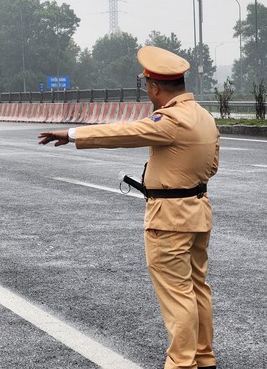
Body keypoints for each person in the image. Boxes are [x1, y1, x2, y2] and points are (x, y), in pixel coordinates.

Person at [38, 46, 219, 369]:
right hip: (198, 212)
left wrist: (71, 133)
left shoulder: (170, 119)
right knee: (196, 288)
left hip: (169, 219)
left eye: (147, 86)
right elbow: (212, 165)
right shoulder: (204, 116)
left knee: (177, 293)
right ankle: (203, 356)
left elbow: (123, 131)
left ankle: (182, 362)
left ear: (154, 87)